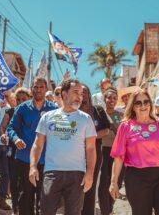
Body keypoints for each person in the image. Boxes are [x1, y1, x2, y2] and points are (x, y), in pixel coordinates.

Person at [109, 89, 159, 215]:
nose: (143, 105)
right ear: (133, 106)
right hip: (136, 178)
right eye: (138, 103)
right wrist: (114, 183)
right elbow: (118, 157)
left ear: (150, 104)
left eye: (146, 102)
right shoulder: (125, 126)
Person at [29, 79, 97, 215]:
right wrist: (33, 166)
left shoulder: (86, 119)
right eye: (76, 92)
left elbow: (90, 148)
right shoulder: (48, 117)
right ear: (64, 94)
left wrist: (90, 173)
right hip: (52, 173)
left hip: (76, 174)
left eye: (82, 94)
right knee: (46, 211)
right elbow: (37, 143)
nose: (80, 97)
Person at [7, 77, 57, 215]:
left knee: (45, 199)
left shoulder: (54, 110)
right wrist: (16, 139)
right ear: (31, 89)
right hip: (24, 160)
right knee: (25, 199)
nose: (38, 90)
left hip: (46, 162)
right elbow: (11, 128)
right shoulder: (22, 108)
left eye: (41, 87)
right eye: (35, 87)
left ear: (46, 89)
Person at [80, 84, 110, 215]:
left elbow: (106, 130)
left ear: (89, 94)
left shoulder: (98, 110)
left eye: (85, 92)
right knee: (76, 186)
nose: (83, 95)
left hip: (95, 153)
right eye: (80, 92)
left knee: (90, 185)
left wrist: (90, 138)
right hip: (76, 154)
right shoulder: (73, 112)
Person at [0, 89, 30, 215]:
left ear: (29, 99)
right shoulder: (10, 112)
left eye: (24, 99)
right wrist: (3, 135)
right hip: (13, 152)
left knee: (26, 183)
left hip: (29, 153)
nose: (21, 102)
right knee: (14, 180)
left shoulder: (34, 113)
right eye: (18, 99)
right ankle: (16, 209)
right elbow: (2, 128)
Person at [97, 87, 123, 215]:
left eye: (114, 98)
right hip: (103, 151)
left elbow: (123, 134)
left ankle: (110, 207)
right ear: (104, 99)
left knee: (117, 181)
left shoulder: (121, 115)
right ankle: (105, 211)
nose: (112, 100)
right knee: (104, 182)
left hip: (117, 153)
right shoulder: (99, 113)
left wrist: (114, 126)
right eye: (109, 98)